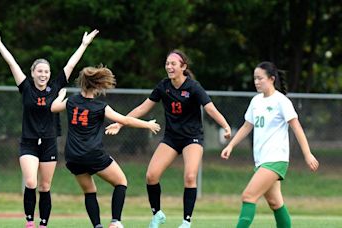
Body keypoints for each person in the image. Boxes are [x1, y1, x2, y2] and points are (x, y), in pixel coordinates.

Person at [0, 24, 99, 228]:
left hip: (49, 143)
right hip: (29, 143)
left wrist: (84, 44)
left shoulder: (55, 87)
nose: (43, 74)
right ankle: (30, 222)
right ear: (33, 73)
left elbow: (71, 65)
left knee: (45, 186)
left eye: (46, 71)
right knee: (31, 183)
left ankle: (43, 224)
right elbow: (11, 63)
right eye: (39, 71)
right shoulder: (26, 87)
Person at [105, 49, 231, 228]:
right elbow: (142, 108)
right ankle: (157, 214)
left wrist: (225, 126)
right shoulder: (163, 86)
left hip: (192, 138)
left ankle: (186, 222)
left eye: (173, 64)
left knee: (189, 176)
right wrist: (120, 123)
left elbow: (210, 109)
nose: (169, 67)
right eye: (167, 63)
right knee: (151, 176)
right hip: (172, 138)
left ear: (183, 67)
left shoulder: (193, 87)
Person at [51, 64, 161, 228]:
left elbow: (53, 108)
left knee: (89, 191)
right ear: (96, 85)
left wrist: (60, 95)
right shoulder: (100, 107)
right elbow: (125, 120)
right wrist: (147, 124)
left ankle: (97, 225)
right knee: (121, 182)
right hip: (93, 154)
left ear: (81, 83)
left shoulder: (71, 101)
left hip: (73, 156)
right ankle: (115, 222)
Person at [220, 61, 319, 228]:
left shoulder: (281, 101)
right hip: (262, 160)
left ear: (272, 79)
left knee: (248, 196)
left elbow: (297, 128)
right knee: (275, 203)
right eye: (255, 78)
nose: (256, 82)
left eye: (260, 78)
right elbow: (246, 126)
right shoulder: (256, 101)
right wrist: (231, 145)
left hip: (276, 158)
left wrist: (307, 154)